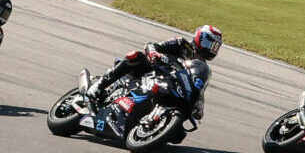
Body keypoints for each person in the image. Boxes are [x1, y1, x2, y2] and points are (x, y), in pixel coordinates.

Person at [87, 25, 224, 102]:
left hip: (169, 85)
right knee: (136, 56)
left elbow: (198, 89)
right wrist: (156, 54)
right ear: (199, 38)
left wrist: (199, 105)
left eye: (215, 47)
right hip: (150, 70)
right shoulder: (181, 43)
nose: (211, 49)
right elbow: (152, 46)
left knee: (178, 135)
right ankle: (99, 86)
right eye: (209, 43)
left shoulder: (201, 67)